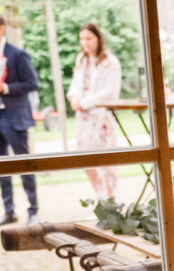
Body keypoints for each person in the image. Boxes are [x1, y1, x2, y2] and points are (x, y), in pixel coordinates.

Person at [0, 11, 40, 226]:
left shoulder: (17, 54)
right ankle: (9, 210)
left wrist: (5, 87)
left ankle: (33, 210)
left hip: (14, 116)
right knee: (0, 166)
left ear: (1, 28)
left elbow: (32, 83)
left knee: (23, 164)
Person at [67, 22, 121, 199]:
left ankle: (112, 201)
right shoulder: (81, 60)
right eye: (82, 38)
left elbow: (110, 91)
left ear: (98, 39)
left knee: (104, 161)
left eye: (89, 38)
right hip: (83, 119)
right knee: (85, 160)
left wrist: (85, 102)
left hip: (101, 117)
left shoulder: (110, 62)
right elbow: (75, 84)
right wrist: (74, 98)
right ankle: (101, 198)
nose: (85, 42)